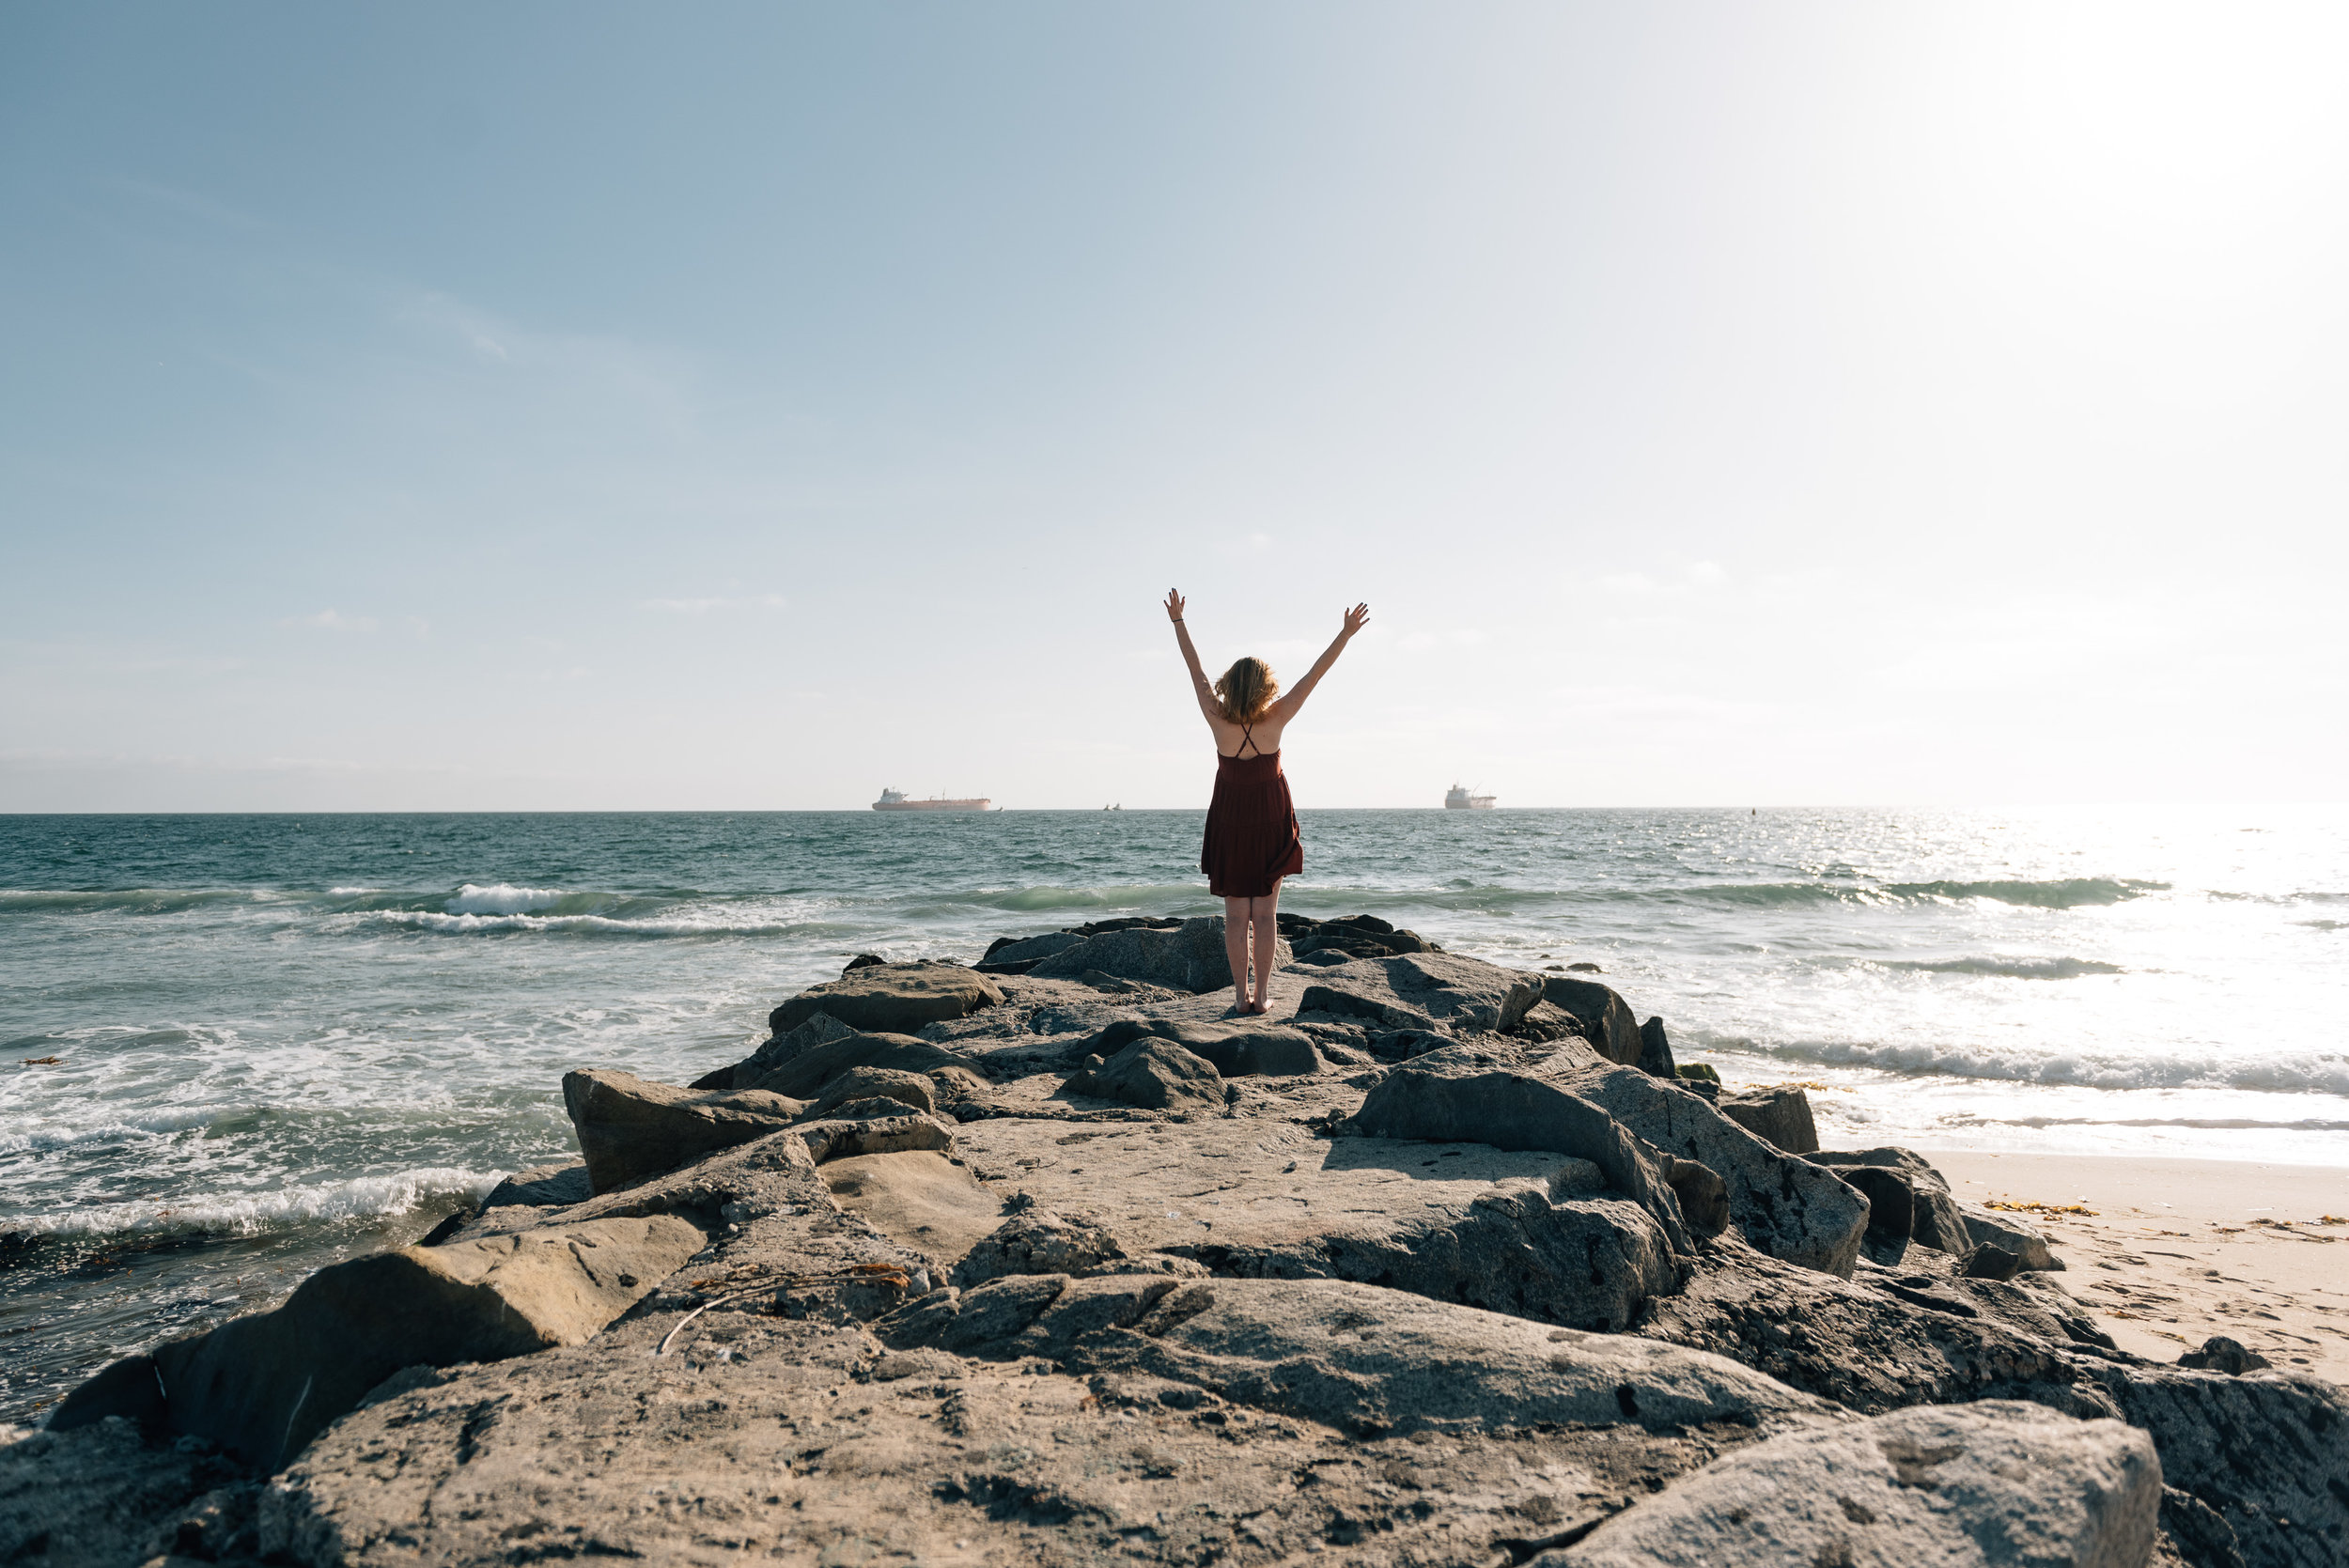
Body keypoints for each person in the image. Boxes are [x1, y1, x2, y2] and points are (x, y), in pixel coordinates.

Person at [1164, 589, 1370, 1014]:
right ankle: (1261, 998)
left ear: (1231, 686)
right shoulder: (1276, 717)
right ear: (1263, 687)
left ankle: (1240, 998)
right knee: (1266, 915)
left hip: (1230, 820)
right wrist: (1345, 634)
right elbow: (1315, 674)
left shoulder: (1216, 717)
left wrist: (1179, 623)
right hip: (1271, 819)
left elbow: (1195, 670)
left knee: (1236, 917)